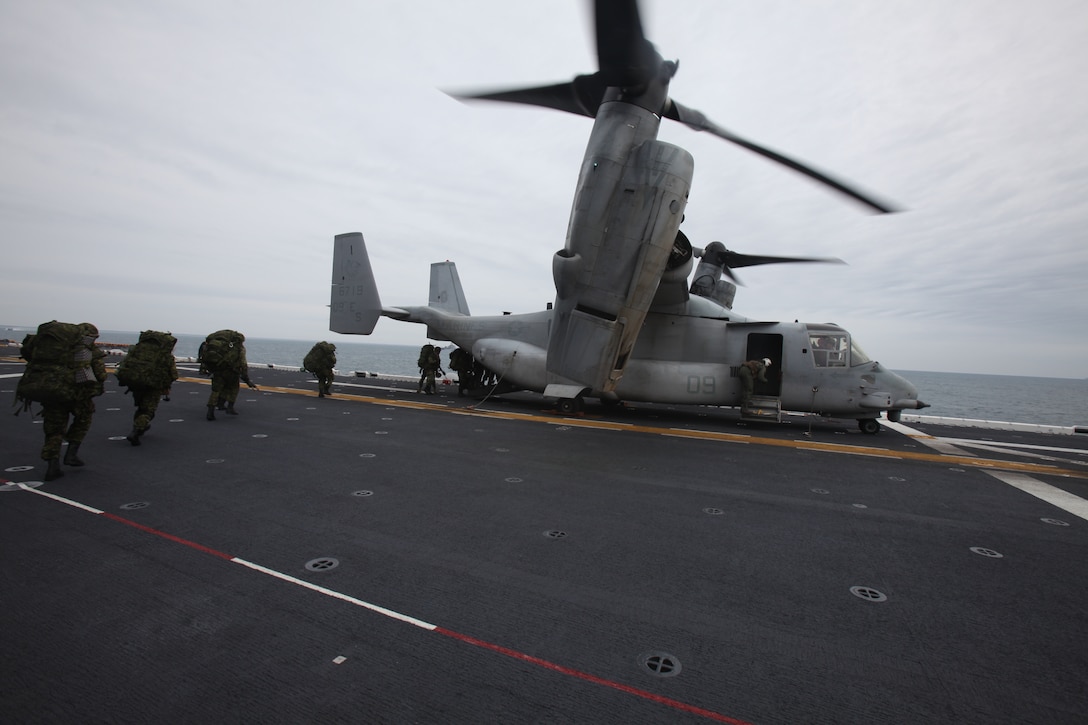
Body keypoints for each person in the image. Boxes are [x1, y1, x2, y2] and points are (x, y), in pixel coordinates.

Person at [40, 323, 108, 480]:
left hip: (54, 393)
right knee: (83, 421)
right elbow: (101, 375)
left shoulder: (56, 349)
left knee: (54, 429)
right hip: (79, 395)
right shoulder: (87, 351)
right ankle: (71, 454)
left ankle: (52, 464)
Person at [117, 330, 179, 446]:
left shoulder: (137, 350)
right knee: (148, 410)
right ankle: (136, 430)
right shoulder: (165, 356)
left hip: (135, 382)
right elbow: (174, 375)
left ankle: (140, 425)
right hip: (153, 385)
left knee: (140, 407)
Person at [201, 330, 257, 420]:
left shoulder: (217, 346)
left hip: (217, 370)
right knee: (234, 388)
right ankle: (230, 407)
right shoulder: (238, 348)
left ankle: (210, 411)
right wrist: (247, 380)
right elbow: (243, 363)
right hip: (231, 372)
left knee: (216, 391)